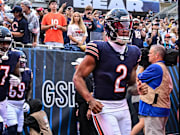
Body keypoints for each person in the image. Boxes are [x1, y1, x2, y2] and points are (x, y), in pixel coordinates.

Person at [73, 8, 141, 135]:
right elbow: (78, 77)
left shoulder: (134, 52)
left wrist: (138, 89)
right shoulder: (99, 48)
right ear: (110, 26)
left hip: (123, 105)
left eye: (127, 25)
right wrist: (90, 100)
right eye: (120, 25)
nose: (125, 29)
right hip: (104, 107)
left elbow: (131, 85)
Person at [137, 45, 173, 135]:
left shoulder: (156, 67)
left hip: (154, 109)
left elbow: (138, 77)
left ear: (156, 55)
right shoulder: (162, 67)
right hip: (160, 108)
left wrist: (142, 65)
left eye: (150, 53)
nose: (148, 55)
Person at [0, 26, 21, 134]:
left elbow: (17, 75)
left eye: (7, 43)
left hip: (3, 99)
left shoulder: (14, 56)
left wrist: (16, 79)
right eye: (2, 43)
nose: (5, 46)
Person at [6, 50, 32, 135]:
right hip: (9, 104)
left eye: (23, 63)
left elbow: (29, 89)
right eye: (19, 63)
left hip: (20, 106)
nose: (21, 65)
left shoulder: (28, 73)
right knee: (12, 129)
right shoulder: (7, 72)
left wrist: (27, 102)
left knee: (19, 131)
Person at [71, 58, 97, 135]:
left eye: (76, 65)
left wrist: (89, 109)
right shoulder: (81, 78)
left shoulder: (87, 78)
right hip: (82, 106)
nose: (75, 67)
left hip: (86, 106)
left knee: (87, 129)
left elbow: (91, 94)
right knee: (83, 128)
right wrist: (79, 108)